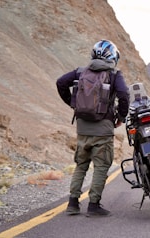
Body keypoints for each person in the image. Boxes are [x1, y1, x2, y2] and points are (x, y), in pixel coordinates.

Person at [56, 40, 130, 216]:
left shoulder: (80, 72)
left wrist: (73, 104)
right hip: (103, 129)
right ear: (113, 56)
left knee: (81, 165)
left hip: (82, 129)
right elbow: (124, 94)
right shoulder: (114, 74)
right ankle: (93, 205)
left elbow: (60, 83)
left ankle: (73, 204)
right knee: (101, 166)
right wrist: (120, 117)